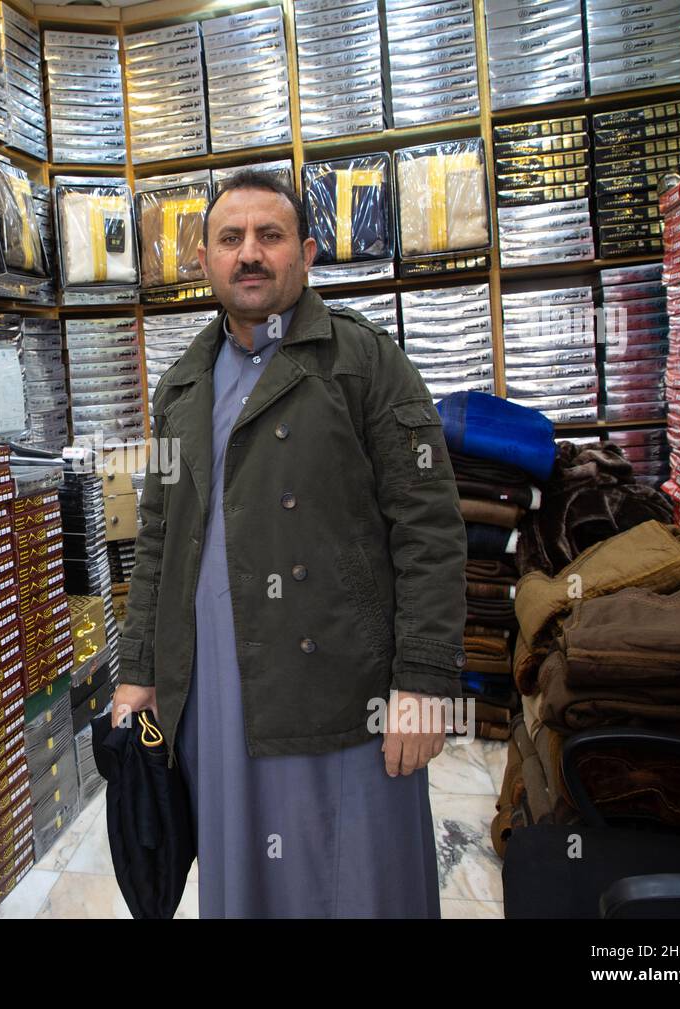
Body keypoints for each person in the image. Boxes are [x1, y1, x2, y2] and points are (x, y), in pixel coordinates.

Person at [111, 170, 468, 918]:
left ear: (305, 253)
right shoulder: (180, 387)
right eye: (230, 239)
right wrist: (138, 672)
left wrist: (426, 681)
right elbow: (157, 542)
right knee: (247, 880)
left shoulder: (365, 364)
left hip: (343, 690)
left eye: (269, 237)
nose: (250, 254)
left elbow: (429, 528)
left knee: (358, 881)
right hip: (214, 694)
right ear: (205, 260)